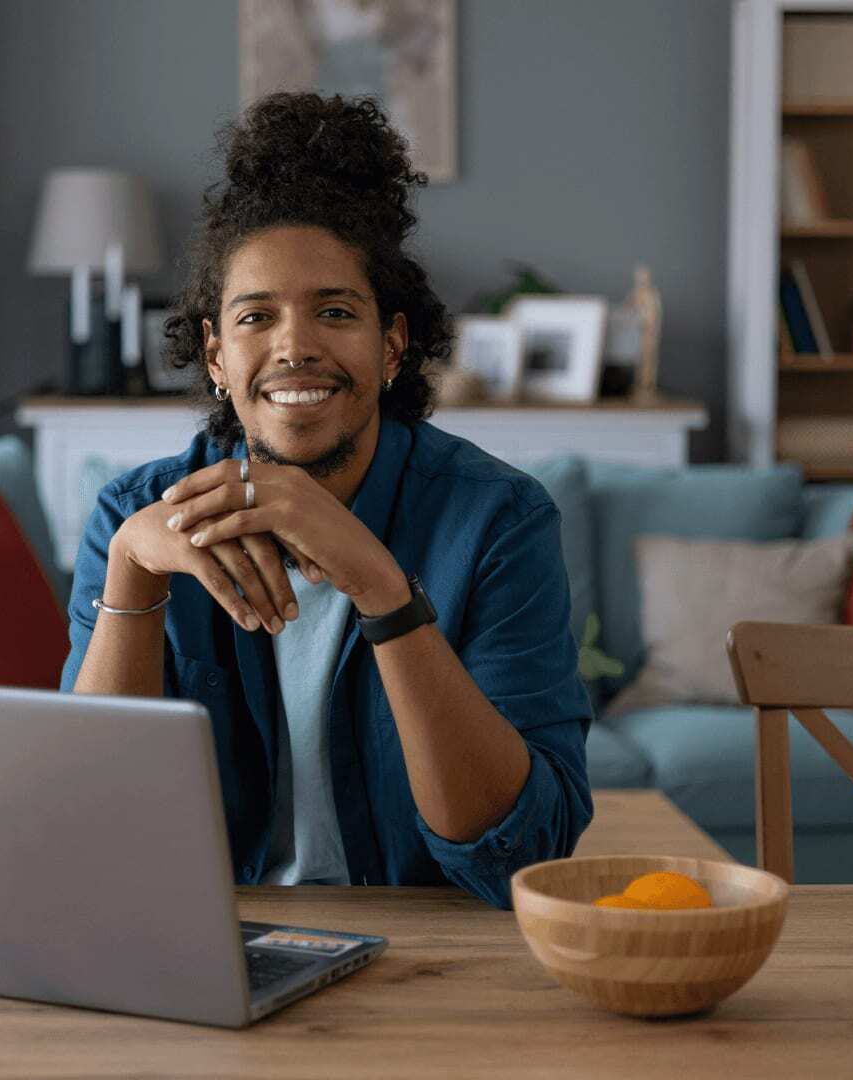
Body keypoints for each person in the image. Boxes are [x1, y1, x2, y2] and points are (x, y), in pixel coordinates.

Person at [61, 92, 591, 909]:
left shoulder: (498, 522)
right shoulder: (132, 520)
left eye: (335, 312)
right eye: (256, 317)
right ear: (216, 356)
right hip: (215, 937)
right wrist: (133, 572)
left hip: (431, 948)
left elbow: (521, 853)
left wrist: (382, 588)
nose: (295, 347)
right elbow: (90, 834)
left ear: (392, 346)